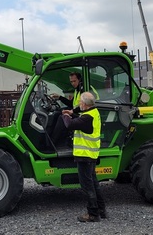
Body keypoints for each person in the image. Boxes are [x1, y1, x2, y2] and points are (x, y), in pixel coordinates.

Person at [61, 92, 107, 222]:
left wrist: (65, 115)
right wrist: (72, 114)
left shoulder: (87, 118)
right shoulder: (93, 112)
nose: (79, 104)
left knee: (87, 185)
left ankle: (93, 214)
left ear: (85, 104)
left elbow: (70, 125)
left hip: (85, 156)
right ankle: (101, 210)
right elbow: (81, 120)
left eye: (80, 102)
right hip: (91, 154)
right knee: (94, 183)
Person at [50, 72, 83, 147]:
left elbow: (84, 107)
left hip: (83, 115)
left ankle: (52, 143)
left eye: (74, 81)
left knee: (62, 117)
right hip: (78, 113)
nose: (73, 83)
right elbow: (72, 104)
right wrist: (59, 97)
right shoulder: (77, 90)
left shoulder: (83, 90)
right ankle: (58, 140)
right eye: (71, 82)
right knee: (58, 112)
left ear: (79, 80)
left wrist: (71, 112)